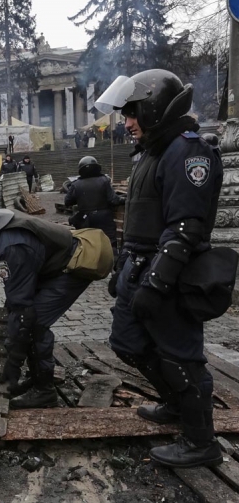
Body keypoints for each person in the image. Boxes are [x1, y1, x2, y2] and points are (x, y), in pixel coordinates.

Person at [96, 69, 225, 468]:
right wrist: (123, 269)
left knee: (180, 357)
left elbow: (185, 228)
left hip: (170, 276)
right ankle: (174, 403)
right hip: (140, 269)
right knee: (128, 343)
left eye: (132, 113)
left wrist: (156, 282)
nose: (127, 122)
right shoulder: (153, 151)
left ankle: (201, 441)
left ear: (153, 108)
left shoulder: (189, 151)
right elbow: (139, 221)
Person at [0, 188, 103, 409]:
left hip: (71, 268)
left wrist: (14, 362)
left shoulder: (10, 248)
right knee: (20, 316)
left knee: (34, 324)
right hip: (48, 263)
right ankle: (37, 378)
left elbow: (23, 309)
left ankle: (45, 392)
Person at [64, 156, 123, 258]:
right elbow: (114, 200)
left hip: (85, 218)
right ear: (96, 167)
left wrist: (79, 197)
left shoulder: (76, 184)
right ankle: (115, 269)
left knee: (88, 243)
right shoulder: (104, 180)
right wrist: (124, 199)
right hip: (104, 217)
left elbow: (67, 201)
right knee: (109, 242)